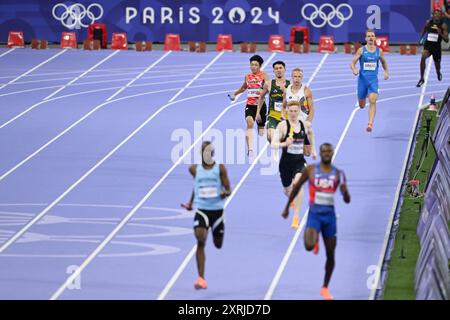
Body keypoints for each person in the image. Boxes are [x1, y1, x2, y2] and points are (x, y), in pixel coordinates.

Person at [282, 143, 351, 300]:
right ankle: (315, 238)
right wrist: (287, 207)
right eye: (324, 151)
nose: (326, 153)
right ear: (320, 153)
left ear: (332, 153)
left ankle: (325, 287)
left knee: (331, 255)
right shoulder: (311, 170)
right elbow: (297, 186)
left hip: (329, 218)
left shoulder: (339, 174)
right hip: (314, 215)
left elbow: (347, 200)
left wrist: (345, 192)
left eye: (329, 151)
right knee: (308, 246)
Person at [181, 141, 232, 290]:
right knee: (200, 239)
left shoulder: (220, 169)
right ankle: (201, 278)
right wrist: (190, 202)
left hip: (217, 211)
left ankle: (219, 231)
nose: (206, 154)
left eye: (209, 152)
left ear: (213, 153)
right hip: (202, 209)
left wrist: (224, 193)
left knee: (217, 244)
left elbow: (229, 189)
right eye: (204, 152)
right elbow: (197, 185)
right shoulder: (194, 169)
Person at [272, 100, 311, 229]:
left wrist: (310, 149)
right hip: (286, 163)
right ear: (287, 111)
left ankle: (296, 216)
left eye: (296, 111)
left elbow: (309, 139)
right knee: (287, 189)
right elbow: (273, 144)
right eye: (291, 111)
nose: (293, 113)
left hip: (299, 161)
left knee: (298, 184)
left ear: (299, 111)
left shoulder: (304, 125)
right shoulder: (282, 126)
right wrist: (285, 144)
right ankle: (291, 198)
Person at [229, 55, 270, 157]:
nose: (253, 67)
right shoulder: (247, 76)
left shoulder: (264, 75)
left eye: (256, 65)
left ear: (260, 66)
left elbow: (269, 87)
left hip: (260, 106)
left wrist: (265, 91)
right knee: (250, 123)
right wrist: (235, 93)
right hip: (250, 105)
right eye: (252, 64)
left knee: (261, 130)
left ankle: (261, 124)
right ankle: (250, 149)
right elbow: (243, 88)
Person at [350, 29, 389, 132]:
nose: (371, 38)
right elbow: (352, 63)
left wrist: (386, 72)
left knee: (373, 100)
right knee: (362, 106)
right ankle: (365, 94)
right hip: (362, 81)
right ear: (366, 38)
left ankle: (370, 124)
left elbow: (384, 63)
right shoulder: (361, 50)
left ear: (375, 38)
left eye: (372, 36)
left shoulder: (379, 51)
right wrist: (354, 69)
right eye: (369, 36)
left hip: (373, 81)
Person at [283, 68, 317, 159]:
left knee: (307, 152)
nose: (297, 79)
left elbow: (312, 109)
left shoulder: (306, 91)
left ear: (302, 77)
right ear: (292, 77)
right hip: (291, 125)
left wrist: (309, 122)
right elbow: (283, 106)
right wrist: (283, 118)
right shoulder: (287, 91)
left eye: (299, 77)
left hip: (303, 123)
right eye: (295, 76)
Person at [256, 60, 290, 143]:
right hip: (273, 116)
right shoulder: (269, 84)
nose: (278, 70)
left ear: (285, 69)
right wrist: (257, 113)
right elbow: (261, 97)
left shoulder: (291, 84)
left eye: (280, 68)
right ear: (273, 71)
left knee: (285, 140)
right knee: (270, 138)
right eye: (276, 68)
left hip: (286, 117)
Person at [417, 9, 449, 87]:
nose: (437, 15)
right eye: (435, 14)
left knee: (437, 66)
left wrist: (440, 33)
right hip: (428, 45)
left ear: (441, 16)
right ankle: (421, 78)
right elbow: (424, 29)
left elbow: (447, 40)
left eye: (438, 14)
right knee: (423, 57)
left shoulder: (443, 25)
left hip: (436, 48)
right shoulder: (429, 23)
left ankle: (438, 72)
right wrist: (420, 39)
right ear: (433, 15)